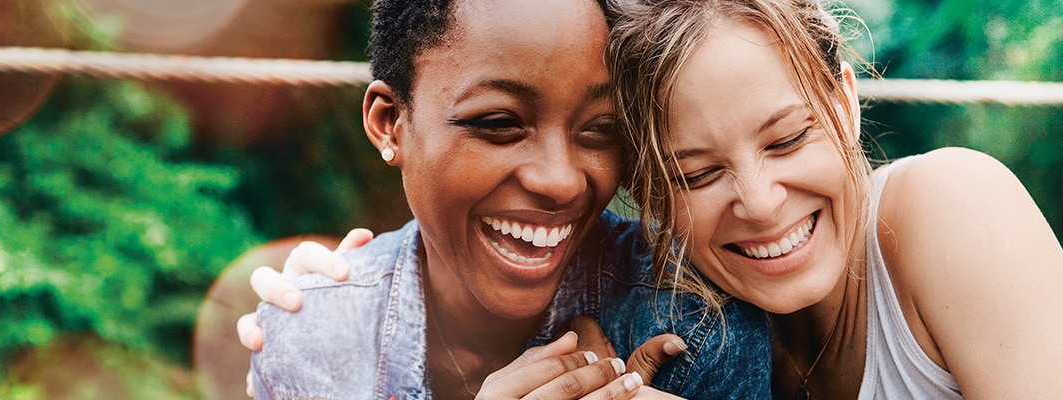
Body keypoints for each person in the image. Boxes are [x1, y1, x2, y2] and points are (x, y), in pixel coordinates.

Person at [244, 0, 772, 398]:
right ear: (390, 125)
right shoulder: (309, 341)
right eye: (499, 124)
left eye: (601, 129)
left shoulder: (695, 328)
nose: (561, 181)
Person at [607, 0, 1063, 398]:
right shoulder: (686, 338)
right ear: (646, 193)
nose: (759, 203)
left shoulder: (955, 204)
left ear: (844, 104)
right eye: (698, 174)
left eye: (788, 140)